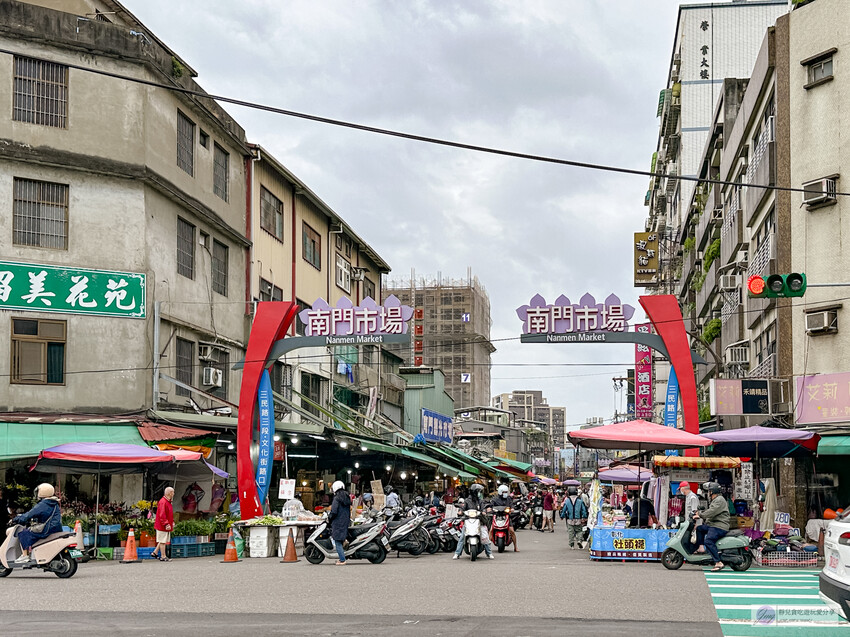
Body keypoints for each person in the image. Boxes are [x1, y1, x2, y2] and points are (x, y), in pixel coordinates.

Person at [11, 483, 62, 563]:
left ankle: (25, 556)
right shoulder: (53, 503)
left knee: (23, 533)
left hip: (46, 529)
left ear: (42, 492)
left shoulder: (43, 504)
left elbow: (29, 515)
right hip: (55, 528)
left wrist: (16, 519)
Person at [694, 481, 730, 572]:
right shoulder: (716, 500)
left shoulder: (719, 500)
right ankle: (701, 548)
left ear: (712, 492)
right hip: (713, 525)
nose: (708, 493)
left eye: (709, 491)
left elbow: (712, 511)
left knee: (709, 541)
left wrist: (701, 515)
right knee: (699, 529)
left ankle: (718, 562)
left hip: (719, 526)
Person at [453, 483, 494, 560]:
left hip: (479, 521)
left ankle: (489, 553)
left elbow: (483, 508)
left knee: (485, 536)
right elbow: (463, 508)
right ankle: (457, 553)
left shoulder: (480, 501)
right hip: (468, 520)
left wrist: (484, 511)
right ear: (473, 492)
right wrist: (460, 511)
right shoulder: (467, 501)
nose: (479, 493)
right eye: (478, 491)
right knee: (462, 536)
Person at [489, 484, 519, 552]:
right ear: (500, 492)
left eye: (506, 492)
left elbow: (512, 505)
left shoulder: (508, 499)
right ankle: (487, 547)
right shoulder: (495, 499)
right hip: (496, 516)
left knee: (512, 531)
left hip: (506, 516)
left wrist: (512, 509)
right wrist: (489, 509)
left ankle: (515, 547)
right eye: (504, 492)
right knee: (491, 530)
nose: (505, 493)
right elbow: (491, 506)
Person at [328, 480, 351, 565]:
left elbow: (334, 511)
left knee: (337, 541)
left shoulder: (337, 498)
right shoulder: (346, 497)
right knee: (340, 539)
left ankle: (342, 560)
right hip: (345, 521)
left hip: (338, 522)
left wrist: (329, 518)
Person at [152, 486, 174, 562]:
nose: (173, 494)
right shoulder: (163, 502)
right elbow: (162, 515)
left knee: (162, 539)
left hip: (164, 524)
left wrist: (171, 522)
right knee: (163, 541)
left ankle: (155, 552)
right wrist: (166, 524)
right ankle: (163, 556)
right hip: (162, 525)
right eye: (173, 492)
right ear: (170, 493)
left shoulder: (166, 501)